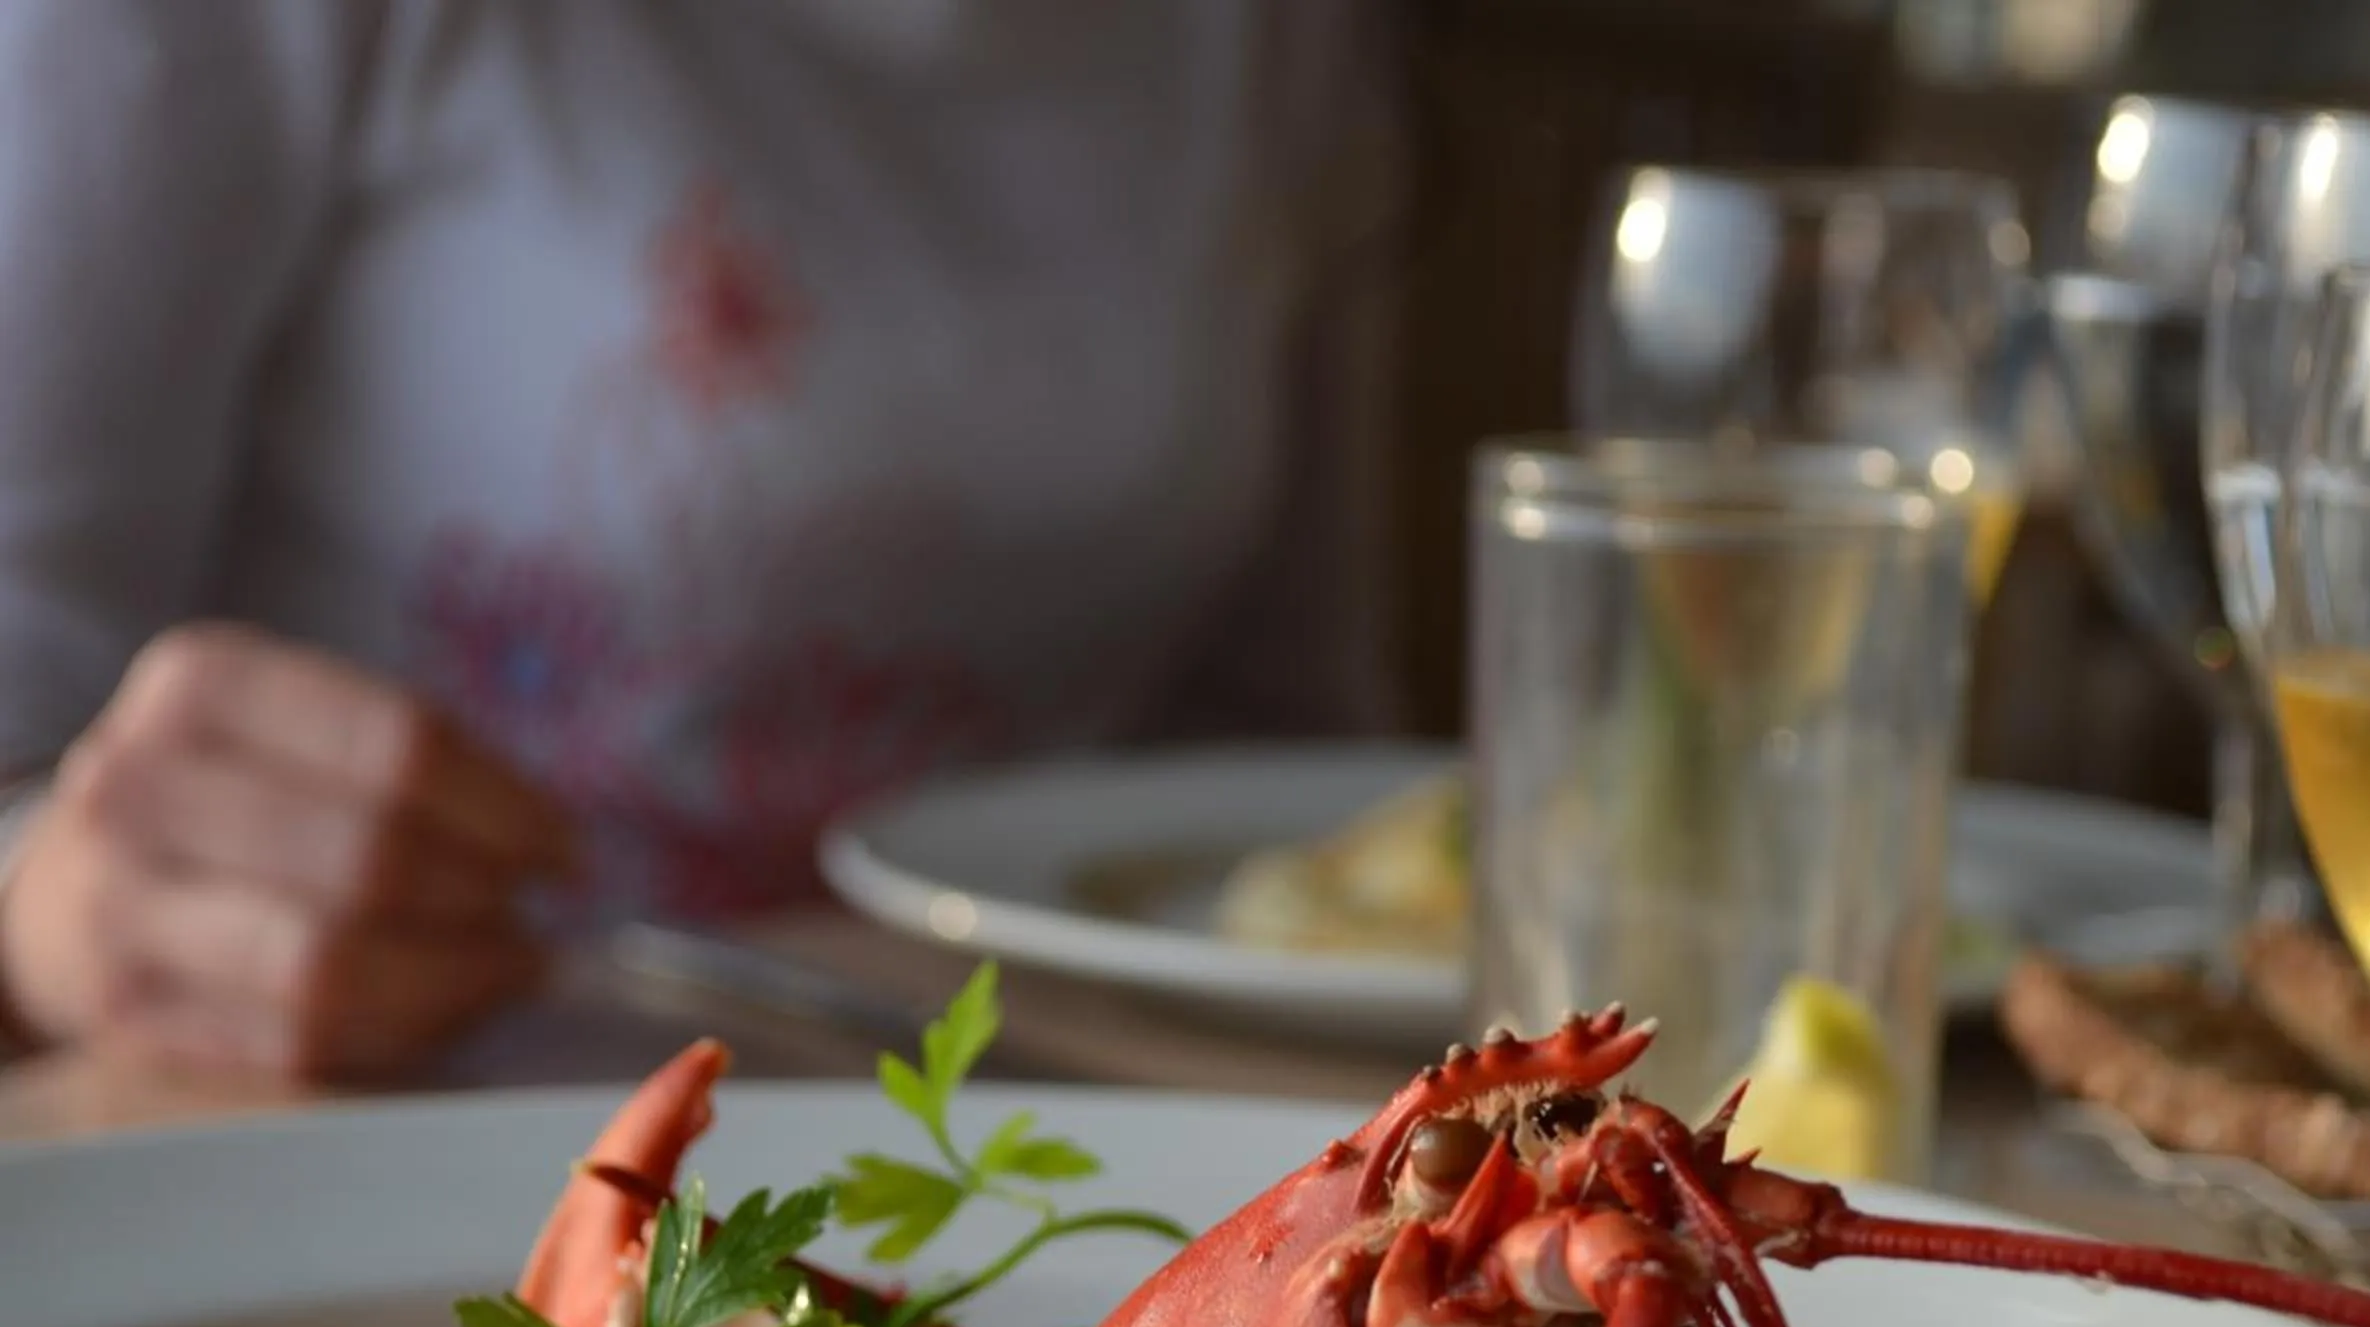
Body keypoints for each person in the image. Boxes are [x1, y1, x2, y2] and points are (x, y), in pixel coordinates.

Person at [0, 0, 1412, 1079]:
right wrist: (47, 899)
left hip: (1058, 1169)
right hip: (382, 1132)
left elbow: (1276, 751)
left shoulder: (1280, 35)